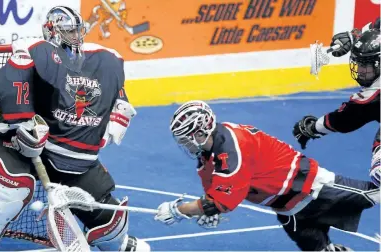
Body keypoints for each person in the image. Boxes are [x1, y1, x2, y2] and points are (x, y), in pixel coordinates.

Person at [0, 6, 149, 251]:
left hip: (73, 155)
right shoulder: (34, 50)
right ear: (51, 30)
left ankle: (119, 245)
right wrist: (23, 123)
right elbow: (8, 85)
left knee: (109, 220)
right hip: (22, 146)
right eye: (67, 31)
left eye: (77, 31)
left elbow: (116, 91)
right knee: (0, 196)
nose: (74, 37)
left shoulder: (104, 59)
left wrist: (120, 109)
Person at [154, 100, 379, 251]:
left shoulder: (231, 149)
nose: (184, 144)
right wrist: (206, 211)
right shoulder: (206, 156)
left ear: (203, 131)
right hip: (288, 209)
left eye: (186, 138)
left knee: (376, 194)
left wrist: (180, 210)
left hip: (313, 189)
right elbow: (214, 196)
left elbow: (221, 202)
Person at [293, 19, 380, 187]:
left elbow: (344, 120)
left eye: (366, 65)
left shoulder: (373, 94)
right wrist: (356, 35)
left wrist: (312, 128)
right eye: (359, 64)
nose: (361, 71)